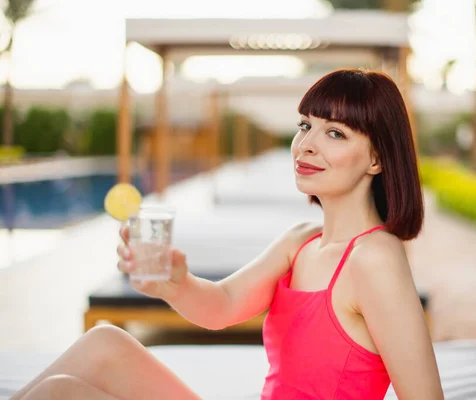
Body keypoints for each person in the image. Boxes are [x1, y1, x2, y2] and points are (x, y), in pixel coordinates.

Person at [10, 68, 444, 400]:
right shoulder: (302, 241)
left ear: (376, 160)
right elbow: (222, 306)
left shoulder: (375, 257)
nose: (307, 144)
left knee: (60, 394)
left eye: (335, 133)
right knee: (104, 343)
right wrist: (174, 284)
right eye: (305, 125)